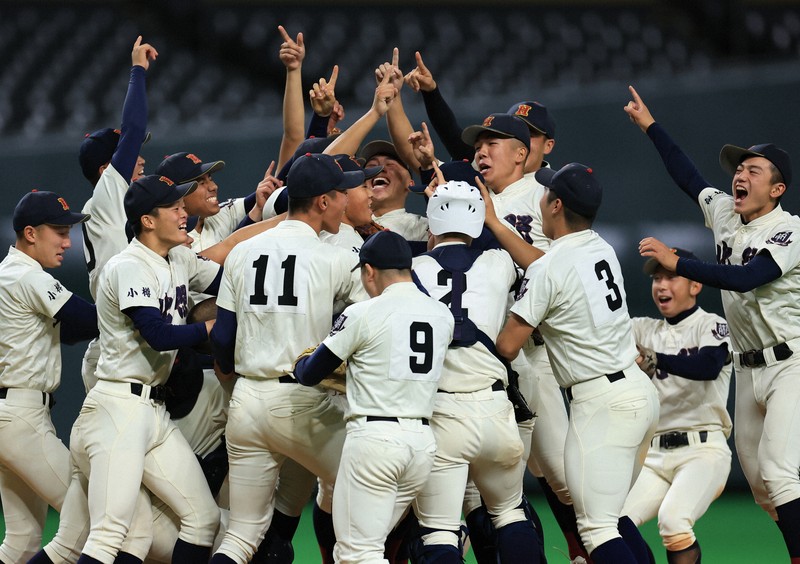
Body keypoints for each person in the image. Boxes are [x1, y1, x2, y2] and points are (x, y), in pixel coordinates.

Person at [626, 84, 800, 562]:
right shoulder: (726, 211)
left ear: (777, 189)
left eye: (753, 170)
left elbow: (747, 278)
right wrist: (651, 127)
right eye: (738, 169)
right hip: (748, 367)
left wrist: (677, 263)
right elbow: (688, 175)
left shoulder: (788, 229)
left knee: (780, 473)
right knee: (763, 488)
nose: (740, 174)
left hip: (790, 361)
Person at [493, 162, 659, 564]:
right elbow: (548, 267)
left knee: (597, 529)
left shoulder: (549, 268)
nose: (540, 197)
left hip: (601, 405)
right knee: (612, 519)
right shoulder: (600, 246)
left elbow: (508, 346)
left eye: (546, 192)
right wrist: (495, 225)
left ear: (555, 205)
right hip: (638, 393)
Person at [209, 153, 367, 564]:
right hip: (302, 400)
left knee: (241, 535)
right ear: (322, 201)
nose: (345, 201)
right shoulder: (334, 257)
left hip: (247, 399)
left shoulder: (243, 251)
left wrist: (236, 376)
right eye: (340, 194)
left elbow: (222, 336)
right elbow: (372, 321)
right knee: (370, 486)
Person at [73, 174, 223, 563]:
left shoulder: (179, 258)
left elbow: (228, 281)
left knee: (203, 520)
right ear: (148, 220)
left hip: (153, 410)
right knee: (110, 536)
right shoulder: (129, 265)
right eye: (173, 207)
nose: (183, 212)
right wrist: (209, 328)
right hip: (118, 407)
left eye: (182, 205)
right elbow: (157, 334)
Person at [293, 230, 454, 563]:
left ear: (369, 271)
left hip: (375, 441)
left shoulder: (363, 313)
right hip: (421, 445)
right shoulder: (443, 315)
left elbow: (309, 373)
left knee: (358, 552)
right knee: (363, 548)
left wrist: (300, 362)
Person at [410, 180, 542, 563]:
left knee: (440, 532)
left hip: (441, 413)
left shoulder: (410, 270)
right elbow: (544, 266)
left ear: (432, 221)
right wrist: (494, 222)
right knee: (510, 513)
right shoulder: (498, 262)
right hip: (495, 411)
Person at [0, 191, 96, 563]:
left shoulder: (9, 273)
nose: (67, 242)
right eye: (59, 231)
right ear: (30, 233)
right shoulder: (27, 276)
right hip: (21, 417)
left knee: (22, 540)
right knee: (87, 520)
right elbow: (87, 320)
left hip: (14, 414)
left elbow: (69, 332)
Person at [621, 248, 732, 564]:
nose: (661, 285)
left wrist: (656, 359)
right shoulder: (643, 329)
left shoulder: (710, 324)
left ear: (695, 285)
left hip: (703, 450)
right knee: (611, 524)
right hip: (654, 455)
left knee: (673, 521)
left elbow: (708, 366)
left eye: (671, 277)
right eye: (657, 278)